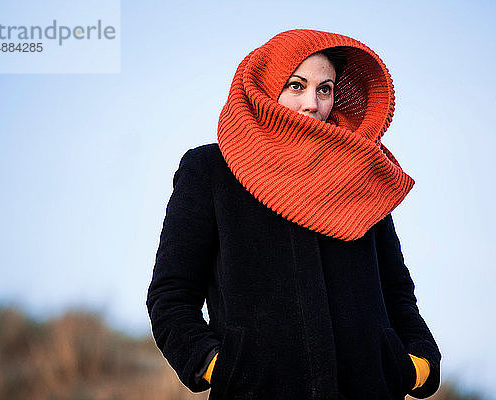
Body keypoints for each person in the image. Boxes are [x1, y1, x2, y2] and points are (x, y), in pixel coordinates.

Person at [147, 29, 441, 400]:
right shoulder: (210, 170)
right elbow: (171, 294)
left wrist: (415, 364)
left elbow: (396, 291)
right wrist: (219, 366)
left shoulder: (360, 170)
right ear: (267, 88)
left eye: (324, 89)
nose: (312, 103)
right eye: (296, 85)